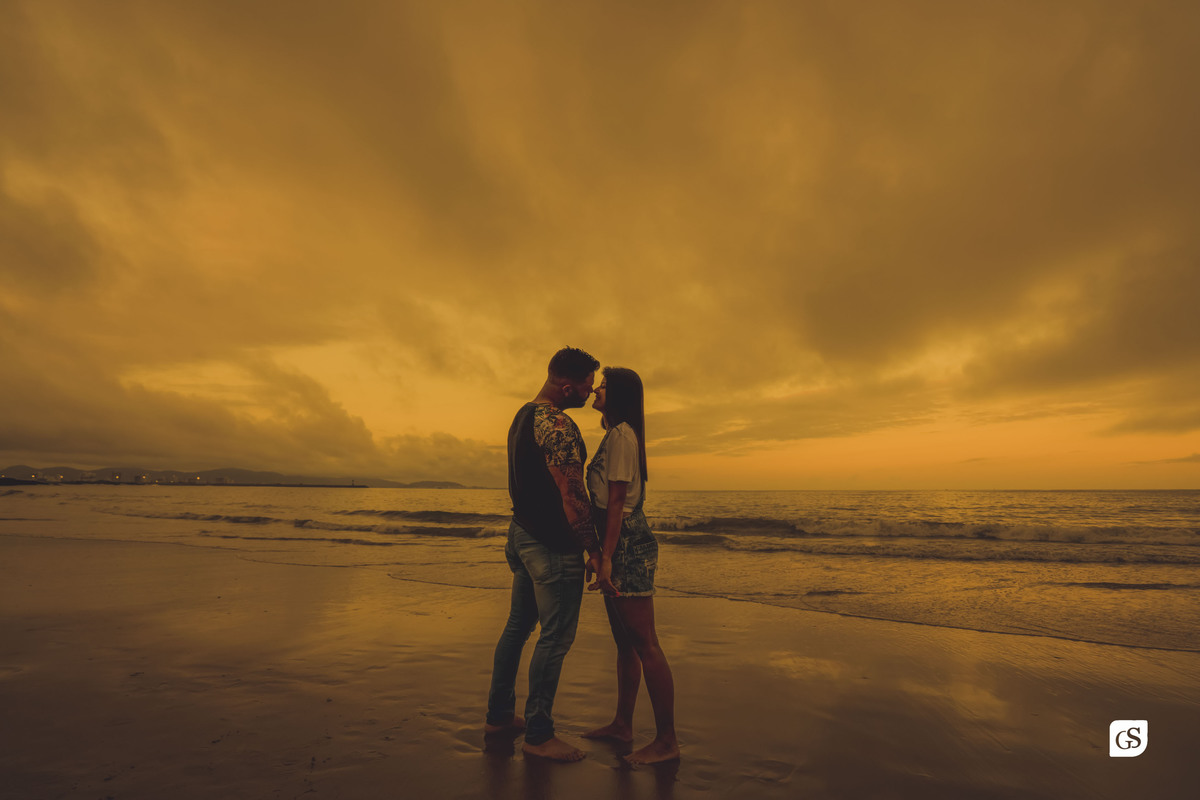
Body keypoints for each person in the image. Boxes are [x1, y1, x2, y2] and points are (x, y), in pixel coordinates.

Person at [485, 346, 603, 762]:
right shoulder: (558, 425)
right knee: (555, 637)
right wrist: (594, 550)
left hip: (521, 534)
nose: (591, 393)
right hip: (552, 546)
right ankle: (538, 734)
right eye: (587, 386)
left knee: (518, 627)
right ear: (566, 385)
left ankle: (499, 716)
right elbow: (573, 497)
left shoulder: (523, 416)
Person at [583, 367, 679, 764]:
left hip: (625, 542)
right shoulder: (615, 435)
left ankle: (666, 741)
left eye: (603, 385)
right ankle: (623, 724)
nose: (597, 389)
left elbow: (618, 503)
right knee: (625, 642)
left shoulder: (622, 434)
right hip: (616, 538)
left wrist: (605, 558)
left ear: (619, 394)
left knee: (646, 643)